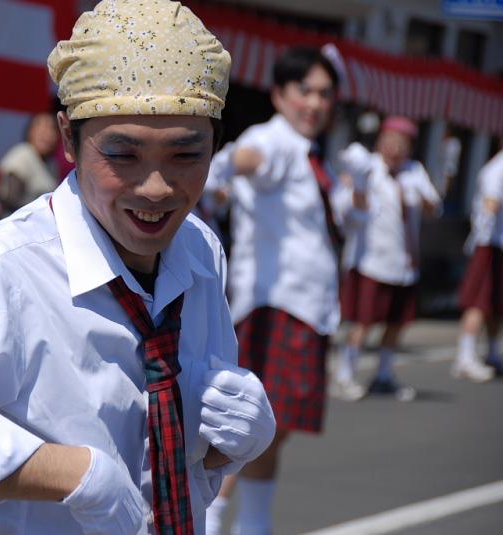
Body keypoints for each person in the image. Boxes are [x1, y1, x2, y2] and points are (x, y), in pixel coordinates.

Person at [0, 2, 277, 534]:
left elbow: (180, 444)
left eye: (185, 154)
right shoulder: (1, 271)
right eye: (122, 155)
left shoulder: (200, 250)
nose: (156, 188)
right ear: (69, 137)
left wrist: (236, 441)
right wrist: (76, 473)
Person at [204, 46, 354, 535]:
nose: (314, 102)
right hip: (275, 305)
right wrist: (218, 170)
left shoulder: (312, 153)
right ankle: (208, 514)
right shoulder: (274, 140)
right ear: (279, 95)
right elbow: (248, 159)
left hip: (305, 304)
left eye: (324, 93)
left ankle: (252, 523)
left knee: (272, 430)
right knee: (257, 425)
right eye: (304, 91)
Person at [334, 116, 442, 400]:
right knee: (363, 321)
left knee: (396, 324)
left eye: (401, 143)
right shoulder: (367, 168)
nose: (395, 149)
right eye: (390, 141)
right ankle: (346, 374)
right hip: (371, 261)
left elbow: (434, 210)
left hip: (405, 264)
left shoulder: (415, 172)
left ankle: (383, 375)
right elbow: (345, 209)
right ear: (381, 142)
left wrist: (423, 197)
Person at [452, 146, 503, 382]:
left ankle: (492, 352)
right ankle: (465, 356)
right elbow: (490, 205)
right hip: (488, 243)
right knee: (479, 302)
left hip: (498, 245)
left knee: (496, 305)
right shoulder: (497, 169)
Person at [0, 112, 59, 215]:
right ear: (30, 131)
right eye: (42, 130)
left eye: (52, 130)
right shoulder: (22, 154)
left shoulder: (52, 164)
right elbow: (9, 198)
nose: (48, 135)